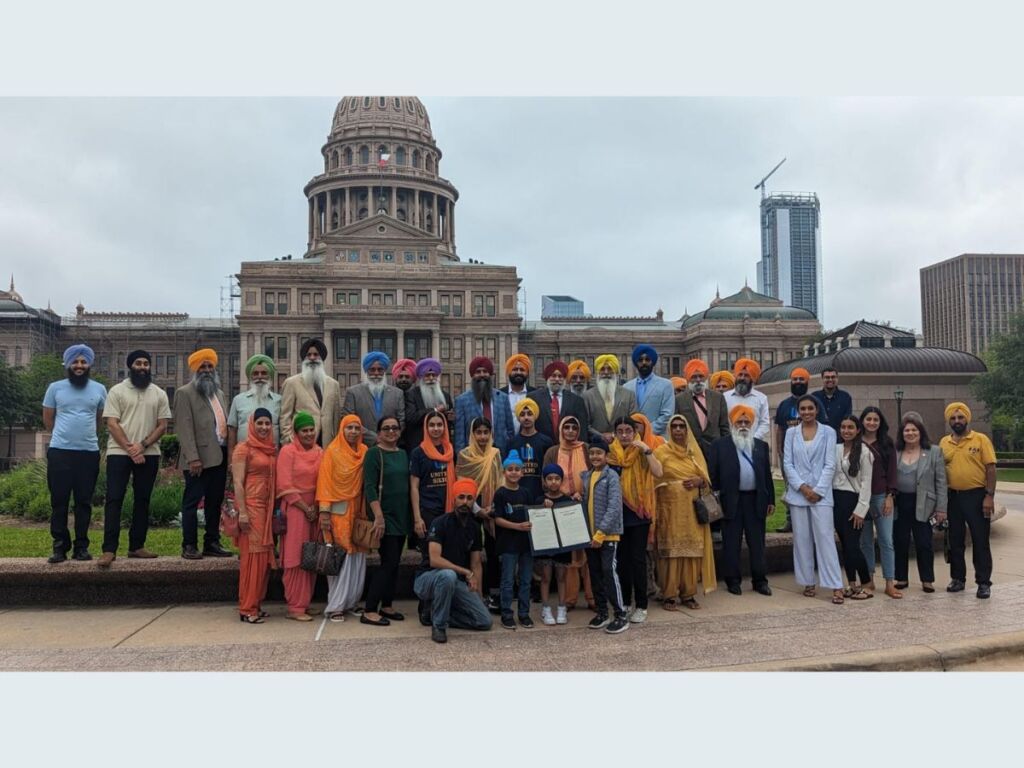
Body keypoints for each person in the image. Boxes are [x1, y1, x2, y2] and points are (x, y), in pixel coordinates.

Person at [99, 349, 171, 566]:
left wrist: (143, 446)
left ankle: (136, 546)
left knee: (143, 500)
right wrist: (131, 449)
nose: (142, 367)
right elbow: (112, 423)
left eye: (146, 364)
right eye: (138, 363)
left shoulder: (159, 393)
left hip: (149, 453)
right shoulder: (117, 391)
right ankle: (109, 550)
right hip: (118, 453)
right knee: (114, 499)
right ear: (130, 366)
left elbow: (163, 425)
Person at [42, 344, 106, 563]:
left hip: (88, 453)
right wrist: (64, 437)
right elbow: (48, 418)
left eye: (83, 361)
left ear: (89, 364)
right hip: (60, 452)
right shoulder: (55, 388)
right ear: (68, 364)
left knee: (84, 502)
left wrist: (84, 437)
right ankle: (60, 547)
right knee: (59, 501)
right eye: (75, 362)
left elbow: (99, 420)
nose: (79, 365)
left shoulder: (99, 389)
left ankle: (81, 547)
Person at [413, 477, 493, 643]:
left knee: (484, 621)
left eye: (470, 498)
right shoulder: (439, 523)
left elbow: (476, 565)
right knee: (447, 575)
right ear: (453, 499)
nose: (465, 502)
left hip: (455, 582)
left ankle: (434, 612)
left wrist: (478, 596)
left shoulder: (474, 528)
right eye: (461, 497)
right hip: (427, 579)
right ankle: (439, 626)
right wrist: (465, 572)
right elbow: (435, 560)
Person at [782, 395, 844, 605]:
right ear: (798, 411)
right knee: (802, 540)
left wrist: (816, 490)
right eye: (803, 409)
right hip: (799, 494)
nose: (807, 412)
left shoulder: (828, 432)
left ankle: (835, 584)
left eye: (810, 408)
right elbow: (787, 464)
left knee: (825, 538)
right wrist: (803, 487)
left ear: (817, 410)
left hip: (821, 494)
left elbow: (830, 464)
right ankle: (808, 580)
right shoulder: (791, 433)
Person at [708, 405, 774, 596]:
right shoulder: (720, 446)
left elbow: (766, 475)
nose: (743, 425)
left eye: (747, 422)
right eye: (739, 422)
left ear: (752, 424)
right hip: (731, 501)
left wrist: (770, 499)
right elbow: (714, 475)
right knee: (731, 543)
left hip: (755, 500)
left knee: (757, 544)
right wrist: (717, 499)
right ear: (732, 423)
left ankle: (760, 581)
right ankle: (733, 580)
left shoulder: (761, 446)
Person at [652, 415, 716, 609]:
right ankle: (669, 594)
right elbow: (652, 478)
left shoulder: (694, 453)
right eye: (674, 427)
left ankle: (688, 594)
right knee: (670, 553)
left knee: (691, 551)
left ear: (687, 430)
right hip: (668, 510)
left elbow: (707, 482)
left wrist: (699, 481)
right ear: (669, 430)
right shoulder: (661, 452)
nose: (678, 430)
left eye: (682, 426)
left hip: (691, 512)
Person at [175, 348, 233, 560]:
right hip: (197, 460)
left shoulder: (219, 394)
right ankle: (189, 545)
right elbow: (184, 427)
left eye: (210, 366)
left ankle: (212, 542)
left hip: (219, 456)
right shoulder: (185, 393)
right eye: (203, 367)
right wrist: (193, 458)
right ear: (195, 370)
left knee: (214, 502)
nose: (207, 370)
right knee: (191, 502)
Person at [607, 416, 664, 623]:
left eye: (628, 431)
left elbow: (658, 471)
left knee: (638, 560)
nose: (624, 435)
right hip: (616, 514)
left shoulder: (642, 452)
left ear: (634, 432)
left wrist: (646, 450)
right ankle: (625, 602)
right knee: (621, 561)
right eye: (620, 431)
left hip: (639, 514)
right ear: (615, 433)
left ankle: (641, 605)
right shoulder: (610, 454)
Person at [316, 414, 370, 622]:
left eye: (357, 428)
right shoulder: (332, 452)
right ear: (342, 430)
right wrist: (324, 512)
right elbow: (325, 482)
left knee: (357, 556)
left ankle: (352, 602)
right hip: (337, 512)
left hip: (358, 510)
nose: (354, 432)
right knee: (340, 556)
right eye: (350, 428)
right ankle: (336, 605)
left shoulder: (364, 451)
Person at [940, 402, 996, 598]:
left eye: (960, 417)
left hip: (977, 496)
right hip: (952, 497)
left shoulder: (980, 439)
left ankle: (983, 582)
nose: (957, 421)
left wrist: (989, 496)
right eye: (953, 418)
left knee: (980, 541)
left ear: (967, 418)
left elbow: (990, 468)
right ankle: (957, 579)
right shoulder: (944, 443)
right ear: (949, 421)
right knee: (954, 541)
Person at [361, 415, 412, 626]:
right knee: (387, 563)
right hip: (385, 517)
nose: (391, 431)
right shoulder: (374, 453)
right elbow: (370, 487)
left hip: (402, 516)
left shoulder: (403, 454)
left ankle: (387, 604)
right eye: (386, 428)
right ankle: (370, 609)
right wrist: (378, 516)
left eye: (395, 428)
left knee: (395, 563)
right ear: (379, 432)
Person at [542, 415, 595, 611]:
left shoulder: (586, 449)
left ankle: (592, 598)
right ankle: (571, 599)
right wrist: (563, 497)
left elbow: (593, 474)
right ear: (561, 430)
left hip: (585, 506)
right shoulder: (553, 451)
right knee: (571, 554)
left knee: (589, 553)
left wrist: (582, 494)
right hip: (561, 508)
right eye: (567, 428)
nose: (570, 431)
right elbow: (545, 478)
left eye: (574, 428)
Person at [231, 409, 278, 623]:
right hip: (251, 507)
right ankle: (247, 608)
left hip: (267, 510)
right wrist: (242, 512)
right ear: (251, 424)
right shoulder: (243, 449)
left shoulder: (269, 450)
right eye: (260, 423)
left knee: (264, 559)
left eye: (267, 423)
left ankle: (256, 604)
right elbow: (238, 482)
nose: (264, 427)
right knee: (253, 559)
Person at [276, 411, 323, 621]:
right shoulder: (287, 452)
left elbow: (324, 480)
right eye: (305, 430)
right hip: (296, 508)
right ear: (296, 432)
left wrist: (317, 506)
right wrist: (305, 507)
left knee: (311, 555)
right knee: (295, 556)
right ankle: (295, 606)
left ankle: (305, 602)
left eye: (312, 430)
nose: (309, 434)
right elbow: (284, 484)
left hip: (315, 508)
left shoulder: (320, 452)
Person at [580, 437, 629, 634]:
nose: (595, 456)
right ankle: (602, 612)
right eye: (592, 453)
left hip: (607, 536)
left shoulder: (612, 477)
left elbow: (614, 507)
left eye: (599, 453)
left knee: (609, 572)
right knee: (595, 574)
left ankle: (620, 614)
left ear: (606, 456)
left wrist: (601, 533)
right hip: (590, 536)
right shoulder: (587, 476)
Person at [894, 413, 947, 594]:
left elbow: (941, 482)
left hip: (924, 503)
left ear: (920, 432)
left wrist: (941, 508)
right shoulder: (896, 452)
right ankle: (901, 578)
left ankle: (927, 580)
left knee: (924, 543)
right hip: (899, 503)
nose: (910, 433)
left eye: (914, 430)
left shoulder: (934, 452)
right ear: (902, 433)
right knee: (900, 541)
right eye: (906, 430)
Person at [457, 417, 504, 609]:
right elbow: (461, 484)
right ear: (472, 434)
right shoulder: (464, 455)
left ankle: (494, 595)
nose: (483, 437)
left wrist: (491, 509)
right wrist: (477, 510)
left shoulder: (496, 453)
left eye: (486, 432)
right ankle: (469, 595)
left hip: (492, 512)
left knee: (494, 554)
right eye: (479, 432)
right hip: (470, 512)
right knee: (471, 554)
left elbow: (501, 479)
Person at [773, 367, 824, 533]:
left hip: (811, 454)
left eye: (801, 379)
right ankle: (791, 520)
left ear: (807, 382)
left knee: (813, 486)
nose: (798, 382)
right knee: (791, 487)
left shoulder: (816, 403)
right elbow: (780, 428)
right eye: (795, 379)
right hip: (789, 455)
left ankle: (814, 520)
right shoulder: (784, 405)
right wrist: (780, 451)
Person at [859, 406, 900, 598]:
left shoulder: (886, 443)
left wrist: (890, 496)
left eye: (875, 419)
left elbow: (892, 471)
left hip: (881, 496)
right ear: (863, 421)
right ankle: (869, 581)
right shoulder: (856, 442)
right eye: (868, 419)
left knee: (886, 540)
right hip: (860, 498)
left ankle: (890, 582)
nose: (872, 423)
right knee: (865, 541)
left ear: (880, 422)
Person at [831, 415, 874, 600]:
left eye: (850, 427)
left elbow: (866, 482)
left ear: (857, 430)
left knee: (853, 545)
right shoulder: (835, 449)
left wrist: (860, 510)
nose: (846, 431)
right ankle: (852, 583)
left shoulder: (864, 452)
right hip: (836, 500)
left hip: (853, 501)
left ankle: (866, 583)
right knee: (845, 546)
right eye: (843, 427)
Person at [492, 450, 535, 629]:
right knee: (508, 581)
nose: (514, 472)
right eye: (510, 469)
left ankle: (524, 613)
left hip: (526, 545)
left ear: (522, 472)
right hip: (508, 544)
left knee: (526, 580)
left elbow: (534, 514)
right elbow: (497, 519)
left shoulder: (526, 493)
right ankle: (506, 613)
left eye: (517, 469)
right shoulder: (500, 494)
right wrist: (517, 527)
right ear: (504, 472)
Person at [279, 338, 342, 447]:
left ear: (321, 358)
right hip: (301, 444)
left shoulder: (334, 385)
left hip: (327, 445)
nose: (312, 358)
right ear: (304, 358)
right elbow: (285, 416)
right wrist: (289, 441)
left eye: (316, 354)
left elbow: (336, 419)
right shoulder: (292, 383)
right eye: (309, 355)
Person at [535, 464, 576, 625]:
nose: (553, 482)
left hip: (562, 545)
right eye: (550, 479)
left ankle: (561, 607)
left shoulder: (567, 499)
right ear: (544, 481)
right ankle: (545, 608)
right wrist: (542, 507)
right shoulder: (539, 499)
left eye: (557, 478)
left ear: (561, 480)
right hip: (546, 544)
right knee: (545, 577)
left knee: (561, 577)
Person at [342, 351, 406, 447]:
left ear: (384, 371)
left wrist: (388, 436)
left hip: (390, 445)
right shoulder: (353, 392)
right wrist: (375, 438)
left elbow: (401, 420)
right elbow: (349, 420)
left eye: (380, 370)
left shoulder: (397, 393)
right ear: (366, 371)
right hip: (361, 446)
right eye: (372, 369)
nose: (376, 373)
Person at [455, 356, 514, 453]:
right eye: (478, 372)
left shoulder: (503, 398)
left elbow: (510, 430)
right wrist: (462, 458)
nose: (482, 375)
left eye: (485, 371)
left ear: (490, 374)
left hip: (499, 454)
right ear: (472, 375)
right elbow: (459, 436)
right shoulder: (462, 401)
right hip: (473, 456)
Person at [227, 354, 281, 459]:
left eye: (264, 373)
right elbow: (232, 431)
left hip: (271, 457)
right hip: (244, 458)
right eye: (256, 373)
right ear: (251, 376)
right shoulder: (238, 400)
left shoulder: (279, 400)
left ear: (269, 376)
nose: (259, 377)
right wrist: (231, 460)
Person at [674, 359, 729, 456]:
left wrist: (726, 449)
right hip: (690, 450)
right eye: (694, 377)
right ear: (688, 379)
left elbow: (724, 427)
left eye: (701, 376)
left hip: (715, 449)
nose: (698, 380)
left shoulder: (718, 397)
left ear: (705, 378)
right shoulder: (679, 400)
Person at [530, 360, 590, 444]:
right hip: (541, 447)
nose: (557, 379)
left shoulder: (576, 400)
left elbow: (582, 429)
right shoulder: (534, 398)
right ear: (547, 378)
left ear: (565, 379)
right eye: (553, 376)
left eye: (560, 376)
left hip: (568, 448)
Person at [582, 353, 637, 443]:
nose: (606, 372)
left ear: (616, 372)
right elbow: (585, 424)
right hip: (595, 446)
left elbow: (633, 421)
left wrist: (614, 435)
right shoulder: (587, 396)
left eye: (610, 369)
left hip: (622, 444)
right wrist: (601, 436)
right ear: (597, 373)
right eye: (602, 369)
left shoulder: (629, 395)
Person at [623, 344, 674, 436]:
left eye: (647, 359)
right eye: (640, 360)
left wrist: (646, 431)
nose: (644, 363)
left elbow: (667, 415)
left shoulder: (666, 385)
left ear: (653, 362)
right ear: (636, 363)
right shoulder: (627, 387)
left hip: (657, 439)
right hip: (632, 439)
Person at [402, 357, 453, 449]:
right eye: (427, 375)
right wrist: (434, 410)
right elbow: (411, 418)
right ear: (421, 377)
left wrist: (451, 418)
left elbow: (449, 423)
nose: (431, 378)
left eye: (434, 375)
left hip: (441, 445)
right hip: (419, 445)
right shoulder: (412, 395)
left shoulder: (446, 396)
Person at [509, 398, 554, 500]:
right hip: (518, 493)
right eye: (522, 414)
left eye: (529, 414)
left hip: (541, 494)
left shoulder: (546, 441)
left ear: (535, 416)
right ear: (518, 418)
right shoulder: (512, 443)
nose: (526, 418)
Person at [724, 358, 770, 442]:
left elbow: (765, 423)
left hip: (754, 444)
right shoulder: (725, 397)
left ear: (752, 378)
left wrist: (754, 439)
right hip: (730, 444)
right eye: (740, 374)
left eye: (746, 375)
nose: (742, 378)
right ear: (736, 376)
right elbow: (723, 423)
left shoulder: (761, 398)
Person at [812, 367, 853, 437]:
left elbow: (847, 419)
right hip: (819, 438)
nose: (830, 379)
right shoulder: (814, 397)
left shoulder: (845, 397)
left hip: (839, 439)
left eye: (833, 377)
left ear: (837, 379)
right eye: (827, 377)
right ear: (822, 379)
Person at [503, 353, 533, 433]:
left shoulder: (535, 394)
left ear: (527, 373)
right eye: (515, 369)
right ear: (509, 372)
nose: (518, 372)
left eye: (522, 370)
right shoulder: (500, 395)